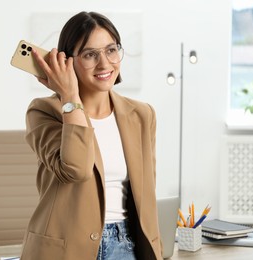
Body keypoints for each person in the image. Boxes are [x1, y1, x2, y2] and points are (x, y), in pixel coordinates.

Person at [20, 11, 163, 260]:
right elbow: (76, 169)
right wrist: (70, 98)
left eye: (111, 50)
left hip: (125, 245)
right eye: (89, 55)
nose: (105, 64)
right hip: (66, 248)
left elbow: (146, 195)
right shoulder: (44, 111)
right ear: (67, 61)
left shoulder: (142, 114)